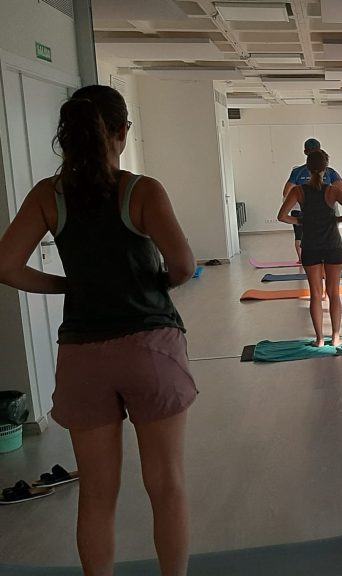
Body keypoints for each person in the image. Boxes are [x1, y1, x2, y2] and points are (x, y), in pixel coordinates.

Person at [0, 85, 198, 575]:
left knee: (96, 491)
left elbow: (7, 266)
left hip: (82, 355)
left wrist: (68, 285)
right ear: (121, 131)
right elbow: (182, 264)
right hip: (150, 346)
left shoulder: (48, 195)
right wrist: (155, 282)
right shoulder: (141, 190)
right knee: (166, 485)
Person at [278, 149, 342, 347]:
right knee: (334, 293)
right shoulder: (332, 190)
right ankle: (336, 337)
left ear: (307, 167)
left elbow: (282, 216)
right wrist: (335, 220)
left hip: (310, 246)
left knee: (315, 294)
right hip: (333, 246)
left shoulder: (298, 191)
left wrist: (301, 221)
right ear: (326, 168)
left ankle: (319, 339)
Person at [282, 138, 341, 261]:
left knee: (300, 236)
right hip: (325, 212)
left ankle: (301, 259)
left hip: (302, 211)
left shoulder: (297, 171)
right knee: (325, 235)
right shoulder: (329, 171)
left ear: (305, 152)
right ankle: (323, 257)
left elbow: (286, 193)